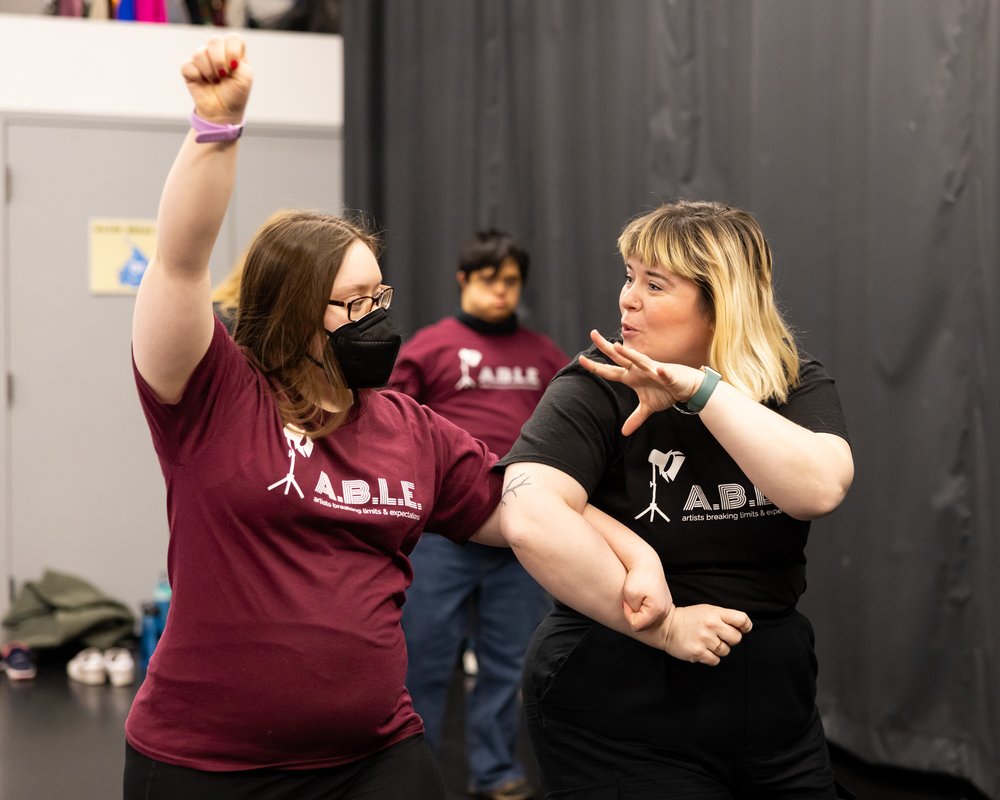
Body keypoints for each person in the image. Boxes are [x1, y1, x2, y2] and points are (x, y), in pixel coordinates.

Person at [126, 36, 749, 800]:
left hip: (376, 758)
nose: (377, 319)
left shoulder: (408, 430)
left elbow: (536, 509)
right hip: (206, 766)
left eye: (381, 298)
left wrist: (646, 574)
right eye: (354, 304)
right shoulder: (213, 397)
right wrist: (214, 131)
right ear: (292, 312)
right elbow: (180, 265)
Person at [498, 200, 855, 799]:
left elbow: (817, 488)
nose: (627, 299)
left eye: (654, 284)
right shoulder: (597, 384)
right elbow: (529, 514)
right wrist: (664, 629)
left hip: (771, 697)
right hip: (622, 691)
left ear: (721, 303)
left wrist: (699, 390)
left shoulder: (791, 381)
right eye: (629, 277)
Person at [390, 230, 567, 800]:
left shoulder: (543, 356)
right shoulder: (430, 347)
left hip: (521, 534)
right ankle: (420, 777)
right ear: (464, 280)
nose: (501, 291)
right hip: (442, 533)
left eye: (511, 281)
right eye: (490, 280)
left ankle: (493, 771)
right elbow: (388, 424)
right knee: (423, 661)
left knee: (509, 662)